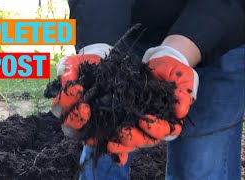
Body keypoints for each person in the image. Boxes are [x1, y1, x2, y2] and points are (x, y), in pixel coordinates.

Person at [51, 0, 245, 179]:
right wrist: (98, 46)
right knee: (103, 141)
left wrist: (177, 52)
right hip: (125, 29)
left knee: (201, 163)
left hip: (223, 30)